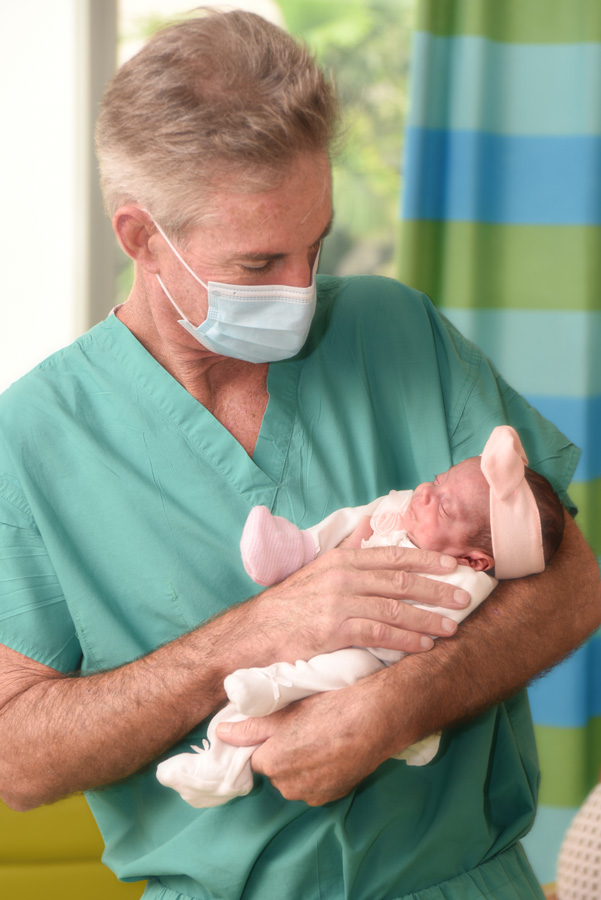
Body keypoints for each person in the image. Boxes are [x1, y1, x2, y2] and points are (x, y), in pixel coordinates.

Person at [0, 9, 598, 900]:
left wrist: (399, 703)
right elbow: (16, 757)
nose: (300, 290)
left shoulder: (393, 331)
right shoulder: (35, 441)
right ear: (140, 239)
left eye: (314, 247)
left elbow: (572, 581)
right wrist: (247, 637)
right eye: (258, 262)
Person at [156, 425, 566, 807]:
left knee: (337, 670)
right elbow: (358, 520)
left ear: (475, 560)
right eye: (438, 480)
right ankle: (296, 547)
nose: (423, 491)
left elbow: (415, 634)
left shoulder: (464, 583)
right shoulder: (403, 512)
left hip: (371, 658)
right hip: (318, 626)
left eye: (443, 506)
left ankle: (250, 726)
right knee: (251, 691)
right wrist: (320, 550)